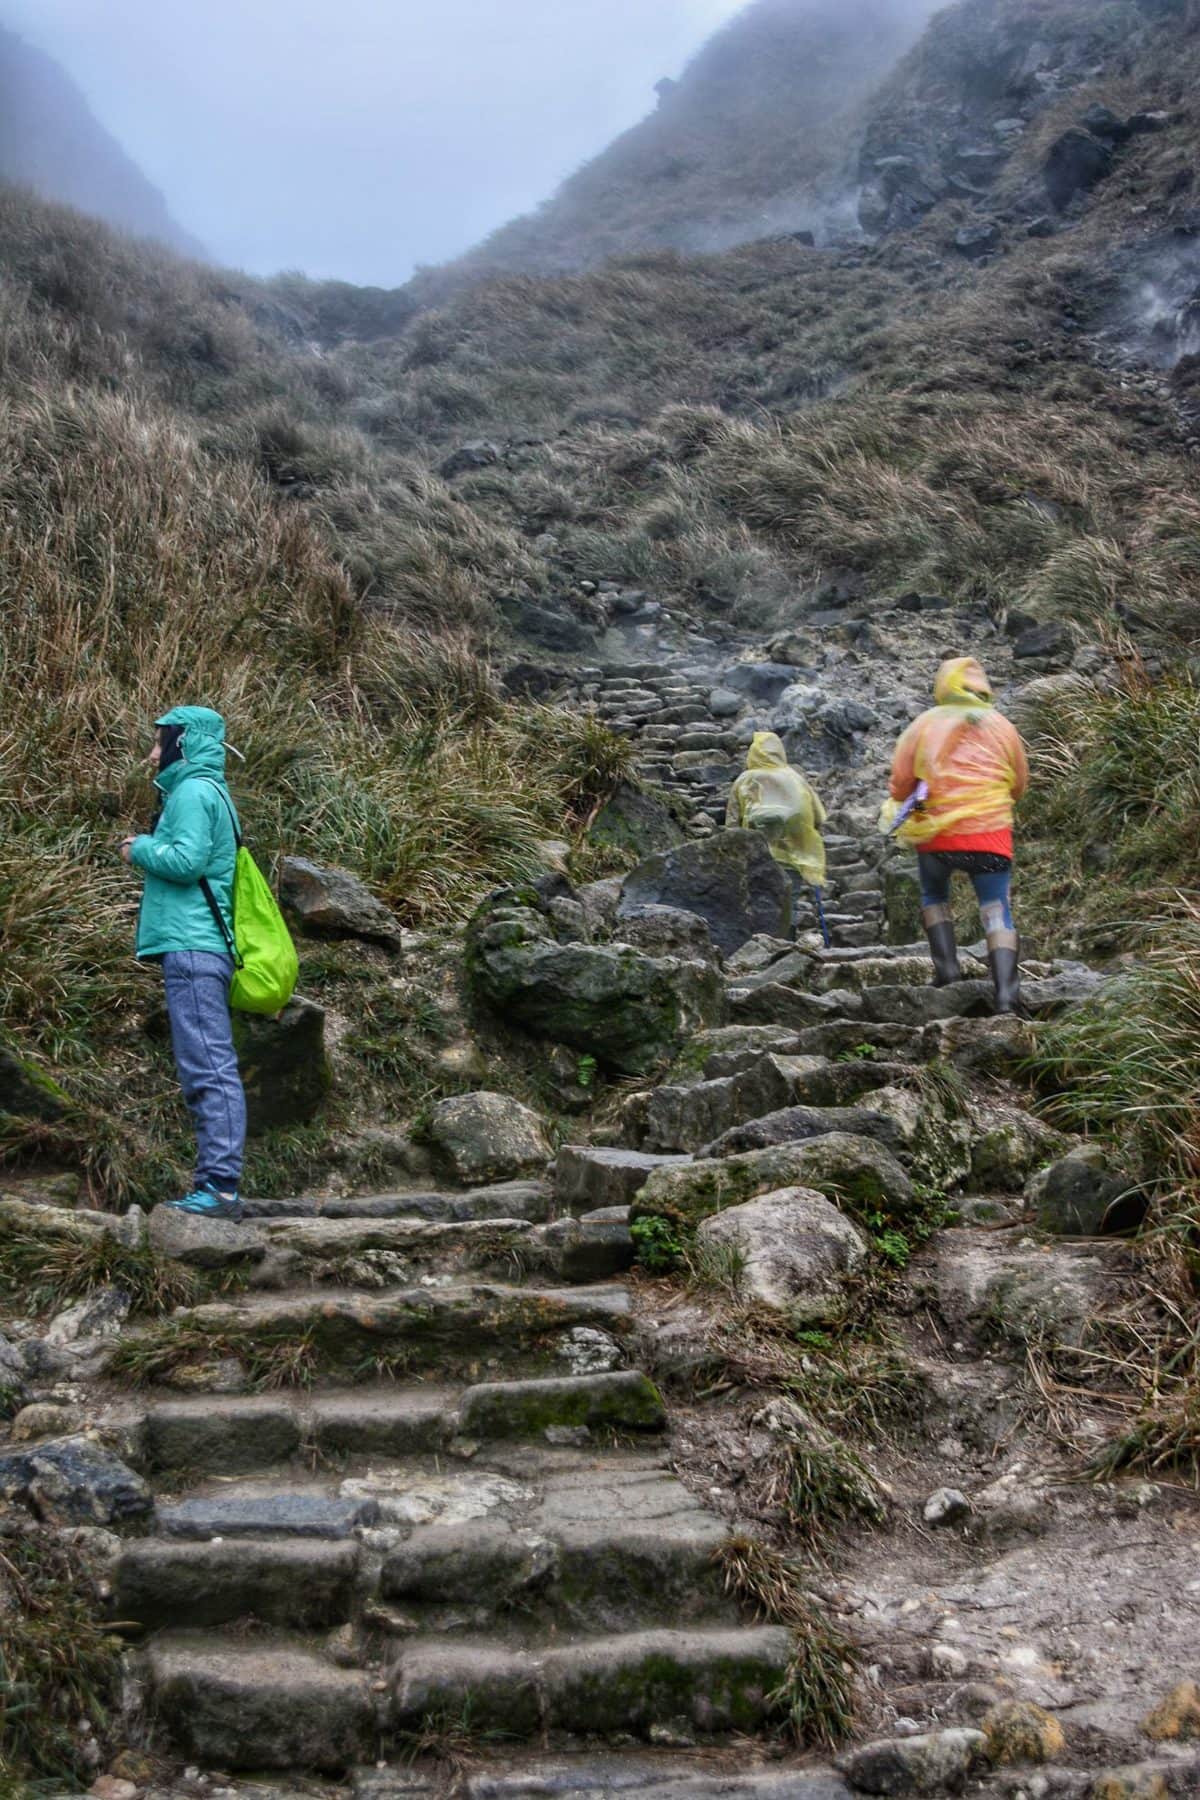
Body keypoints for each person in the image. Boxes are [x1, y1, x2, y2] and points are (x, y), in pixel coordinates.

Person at [120, 706, 247, 1220]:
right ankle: (218, 1185)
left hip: (194, 948)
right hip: (201, 945)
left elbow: (185, 861)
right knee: (208, 1064)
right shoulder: (209, 791)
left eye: (160, 742)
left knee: (208, 1068)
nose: (152, 753)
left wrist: (138, 847)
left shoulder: (193, 793)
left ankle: (218, 1188)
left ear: (184, 743)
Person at [886, 657, 1029, 1014]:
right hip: (991, 834)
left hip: (937, 836)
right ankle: (1007, 998)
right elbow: (1019, 784)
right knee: (996, 909)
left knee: (934, 893)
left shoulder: (923, 725)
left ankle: (947, 972)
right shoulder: (1003, 726)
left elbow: (901, 785)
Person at [727, 731, 830, 943]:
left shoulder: (745, 780)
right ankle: (787, 946)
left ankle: (759, 947)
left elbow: (731, 824)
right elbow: (819, 817)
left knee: (758, 904)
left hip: (755, 859)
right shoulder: (796, 779)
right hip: (792, 857)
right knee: (787, 906)